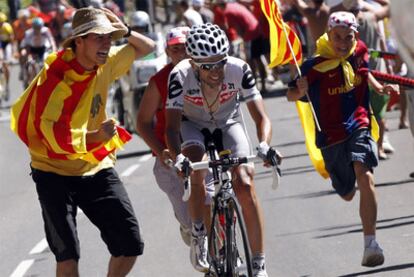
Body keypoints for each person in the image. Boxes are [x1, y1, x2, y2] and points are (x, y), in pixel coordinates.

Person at [10, 7, 155, 276]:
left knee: (130, 244)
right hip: (52, 172)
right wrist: (97, 137)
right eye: (99, 37)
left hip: (94, 168)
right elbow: (53, 138)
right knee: (68, 258)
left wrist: (125, 29)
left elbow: (149, 47)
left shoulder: (105, 63)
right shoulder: (55, 79)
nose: (107, 42)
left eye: (109, 37)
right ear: (79, 41)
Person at [165, 23, 279, 277]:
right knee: (197, 166)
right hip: (192, 125)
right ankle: (198, 234)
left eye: (220, 62)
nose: (216, 71)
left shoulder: (239, 69)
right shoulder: (179, 75)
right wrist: (179, 157)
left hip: (229, 123)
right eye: (207, 66)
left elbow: (262, 117)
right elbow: (171, 129)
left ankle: (258, 264)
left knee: (246, 184)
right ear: (193, 63)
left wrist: (264, 144)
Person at [286, 11, 399, 267]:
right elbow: (290, 95)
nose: (343, 43)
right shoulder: (313, 66)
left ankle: (370, 243)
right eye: (337, 37)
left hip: (359, 124)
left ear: (355, 36)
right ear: (328, 34)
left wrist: (378, 87)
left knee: (365, 174)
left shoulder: (359, 51)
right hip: (331, 137)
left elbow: (362, 70)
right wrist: (298, 91)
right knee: (347, 193)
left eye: (348, 37)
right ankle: (347, 185)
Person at [136, 26, 215, 247]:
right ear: (168, 52)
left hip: (203, 150)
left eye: (186, 48)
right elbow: (142, 122)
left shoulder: (208, 73)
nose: (182, 54)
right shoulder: (159, 81)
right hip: (172, 157)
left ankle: (223, 252)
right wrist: (160, 150)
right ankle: (191, 231)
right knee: (190, 221)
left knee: (211, 199)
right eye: (176, 49)